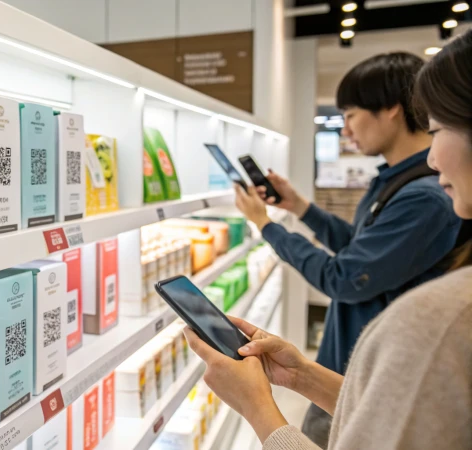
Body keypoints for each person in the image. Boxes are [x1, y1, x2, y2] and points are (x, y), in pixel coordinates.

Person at [186, 29, 472, 449]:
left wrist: (267, 226)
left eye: (350, 114)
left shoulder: (425, 202)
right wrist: (301, 207)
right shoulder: (395, 182)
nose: (346, 129)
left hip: (363, 374)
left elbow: (345, 275)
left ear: (390, 109)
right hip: (347, 376)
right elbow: (362, 247)